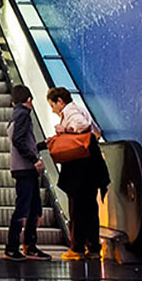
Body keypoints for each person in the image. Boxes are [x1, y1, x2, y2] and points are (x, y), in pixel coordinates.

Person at [45, 87, 110, 260]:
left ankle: (77, 248)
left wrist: (65, 130)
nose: (53, 109)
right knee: (90, 208)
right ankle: (94, 248)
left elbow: (82, 125)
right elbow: (96, 132)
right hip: (91, 166)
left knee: (78, 208)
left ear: (60, 101)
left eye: (53, 105)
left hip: (80, 169)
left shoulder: (71, 111)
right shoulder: (81, 108)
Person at [5, 85, 53, 262]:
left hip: (22, 168)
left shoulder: (14, 116)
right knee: (24, 208)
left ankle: (29, 246)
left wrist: (41, 145)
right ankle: (13, 247)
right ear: (29, 100)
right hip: (26, 169)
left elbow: (21, 140)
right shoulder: (24, 115)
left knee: (33, 208)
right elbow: (18, 140)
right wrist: (34, 159)